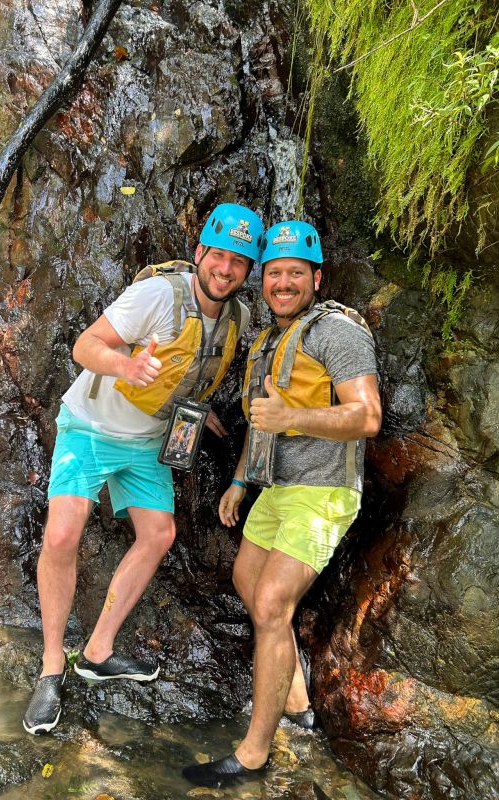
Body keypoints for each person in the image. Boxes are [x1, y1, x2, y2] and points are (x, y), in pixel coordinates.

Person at [23, 203, 264, 735]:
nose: (225, 269)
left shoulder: (240, 319)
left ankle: (98, 650)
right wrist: (124, 365)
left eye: (239, 262)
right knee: (63, 533)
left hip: (149, 439)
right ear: (200, 253)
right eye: (218, 256)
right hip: (89, 427)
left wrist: (207, 416)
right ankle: (51, 668)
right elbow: (85, 344)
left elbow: (193, 372)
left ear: (250, 271)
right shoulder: (158, 295)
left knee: (159, 534)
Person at [182, 220, 382, 787]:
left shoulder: (337, 333)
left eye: (296, 273)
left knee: (271, 604)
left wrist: (292, 417)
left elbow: (367, 417)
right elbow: (263, 422)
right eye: (274, 274)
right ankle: (297, 702)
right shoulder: (268, 338)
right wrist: (241, 481)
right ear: (261, 281)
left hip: (323, 492)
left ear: (316, 278)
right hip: (274, 488)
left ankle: (252, 754)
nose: (284, 283)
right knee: (248, 580)